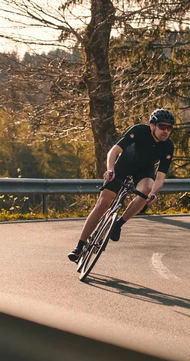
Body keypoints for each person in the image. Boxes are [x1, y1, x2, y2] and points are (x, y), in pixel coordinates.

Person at [68, 108, 175, 262]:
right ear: (152, 126)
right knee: (103, 204)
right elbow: (114, 150)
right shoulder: (138, 131)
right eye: (162, 127)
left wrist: (153, 193)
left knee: (146, 190)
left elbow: (160, 177)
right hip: (124, 165)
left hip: (144, 171)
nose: (166, 131)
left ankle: (118, 224)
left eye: (169, 128)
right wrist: (110, 169)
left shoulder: (168, 147)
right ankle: (79, 247)